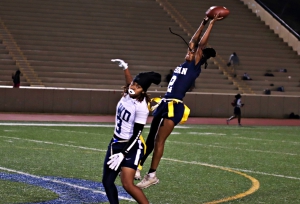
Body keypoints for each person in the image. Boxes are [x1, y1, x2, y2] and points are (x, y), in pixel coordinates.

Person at [135, 14, 222, 189]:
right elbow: (193, 41)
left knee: (159, 140)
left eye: (192, 51)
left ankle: (151, 175)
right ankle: (138, 167)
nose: (188, 51)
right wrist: (202, 22)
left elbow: (200, 44)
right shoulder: (184, 64)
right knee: (151, 138)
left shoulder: (194, 65)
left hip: (174, 105)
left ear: (199, 56)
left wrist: (211, 23)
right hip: (165, 103)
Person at [102, 59, 161, 204]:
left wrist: (123, 153)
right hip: (115, 142)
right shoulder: (128, 93)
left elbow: (137, 134)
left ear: (143, 90)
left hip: (131, 146)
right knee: (107, 182)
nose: (133, 87)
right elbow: (130, 83)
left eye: (138, 86)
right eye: (134, 83)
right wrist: (125, 68)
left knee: (127, 185)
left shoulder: (142, 107)